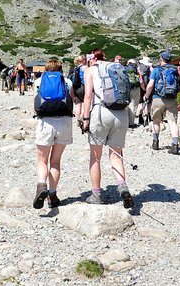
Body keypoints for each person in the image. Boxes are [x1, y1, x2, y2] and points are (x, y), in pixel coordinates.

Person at [81, 49, 134, 208]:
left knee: (95, 157)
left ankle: (96, 194)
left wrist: (85, 119)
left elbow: (88, 96)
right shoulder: (117, 68)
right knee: (116, 155)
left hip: (100, 112)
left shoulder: (90, 70)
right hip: (121, 114)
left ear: (91, 59)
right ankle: (123, 187)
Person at [32, 59, 73, 209]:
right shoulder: (67, 81)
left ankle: (41, 185)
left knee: (42, 160)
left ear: (46, 69)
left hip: (46, 122)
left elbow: (35, 105)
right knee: (55, 161)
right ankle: (52, 195)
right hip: (64, 123)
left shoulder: (38, 81)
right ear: (60, 68)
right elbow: (72, 100)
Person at [144, 51, 180, 154]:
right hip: (172, 99)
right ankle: (175, 145)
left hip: (158, 98)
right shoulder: (175, 70)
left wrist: (146, 96)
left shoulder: (156, 70)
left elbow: (150, 85)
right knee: (172, 122)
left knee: (156, 121)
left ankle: (155, 143)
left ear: (161, 59)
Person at [137, 56, 152, 126]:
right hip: (149, 87)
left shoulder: (139, 68)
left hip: (140, 87)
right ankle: (149, 116)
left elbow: (140, 80)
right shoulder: (151, 68)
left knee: (141, 102)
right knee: (149, 102)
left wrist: (142, 88)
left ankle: (140, 117)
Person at [125, 59, 140, 127]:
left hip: (126, 89)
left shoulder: (124, 69)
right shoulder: (137, 70)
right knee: (133, 105)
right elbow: (141, 81)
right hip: (135, 89)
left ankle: (125, 121)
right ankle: (131, 123)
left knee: (126, 105)